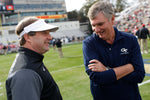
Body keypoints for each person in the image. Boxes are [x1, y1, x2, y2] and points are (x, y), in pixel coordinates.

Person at [82, 1, 145, 100]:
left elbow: (139, 75)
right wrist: (129, 67)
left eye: (100, 24)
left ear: (112, 19)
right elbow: (98, 78)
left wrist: (107, 70)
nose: (96, 29)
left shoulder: (130, 40)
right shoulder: (89, 44)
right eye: (93, 25)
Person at [5, 17, 62, 100]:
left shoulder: (31, 61)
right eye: (44, 33)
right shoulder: (25, 73)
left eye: (49, 33)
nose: (50, 37)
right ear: (28, 37)